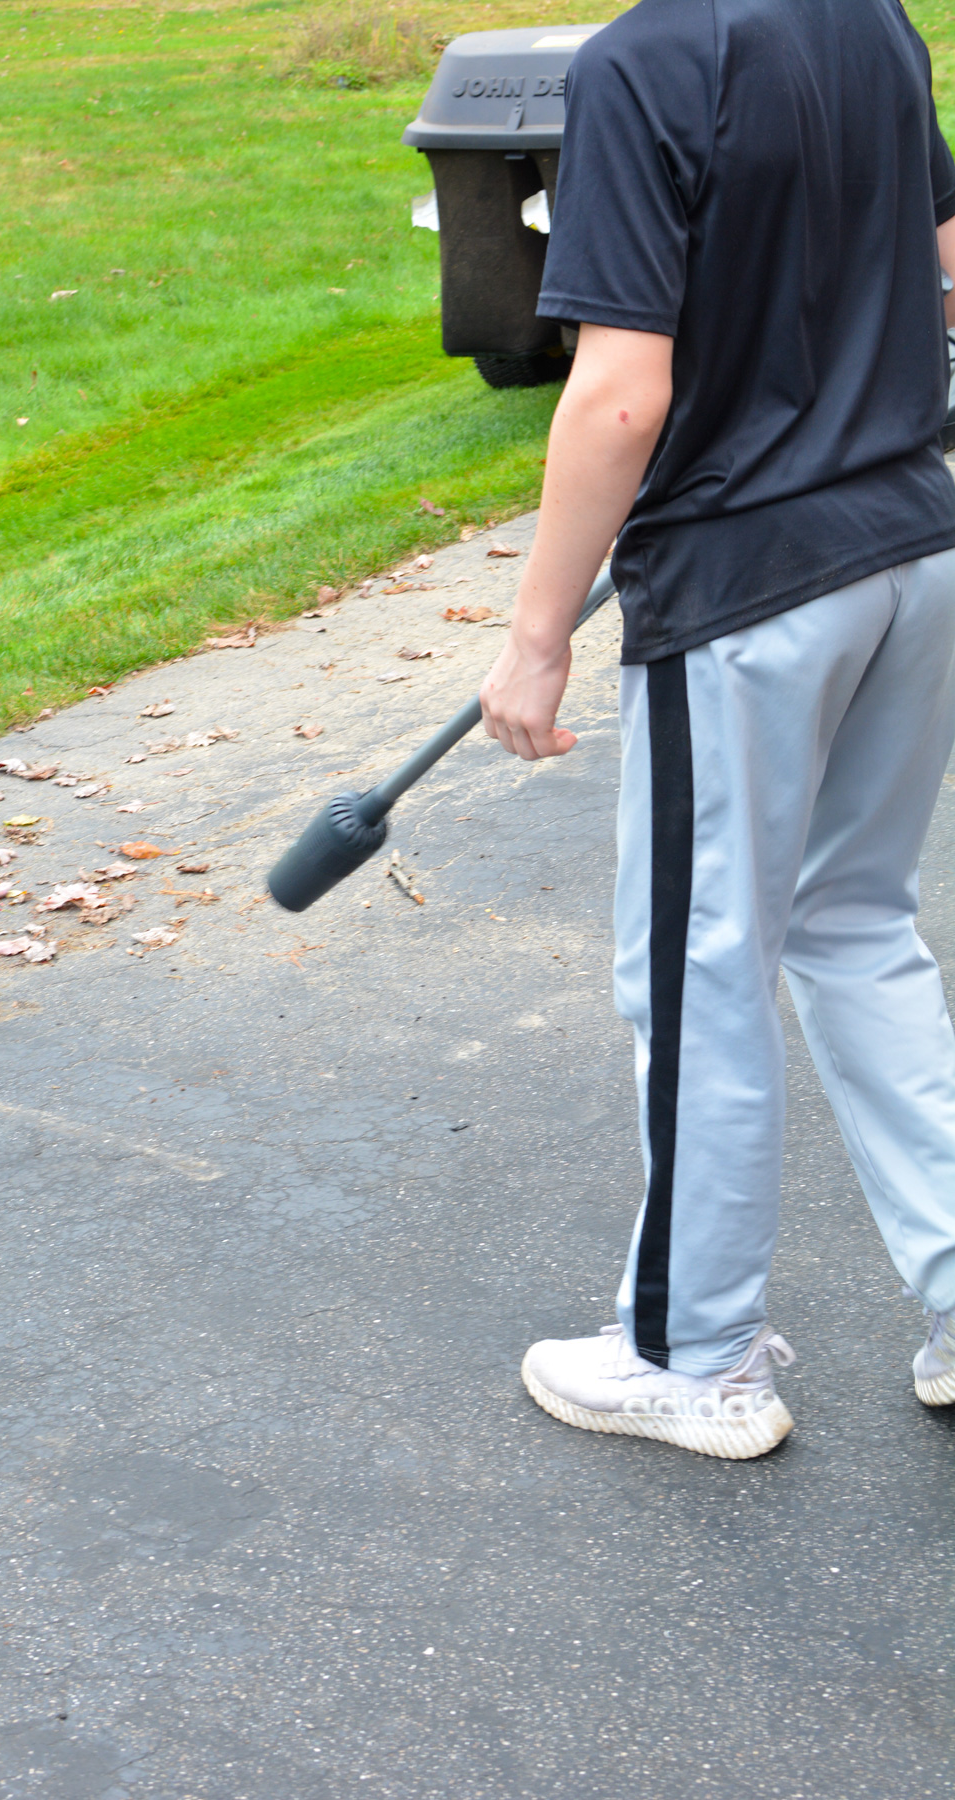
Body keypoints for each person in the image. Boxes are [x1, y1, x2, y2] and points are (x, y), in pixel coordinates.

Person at [479, 0, 955, 1458]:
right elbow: (940, 262)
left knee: (700, 971)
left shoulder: (636, 66)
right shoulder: (872, 20)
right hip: (914, 549)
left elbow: (620, 398)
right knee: (857, 922)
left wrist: (538, 635)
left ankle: (691, 1354)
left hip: (750, 595)